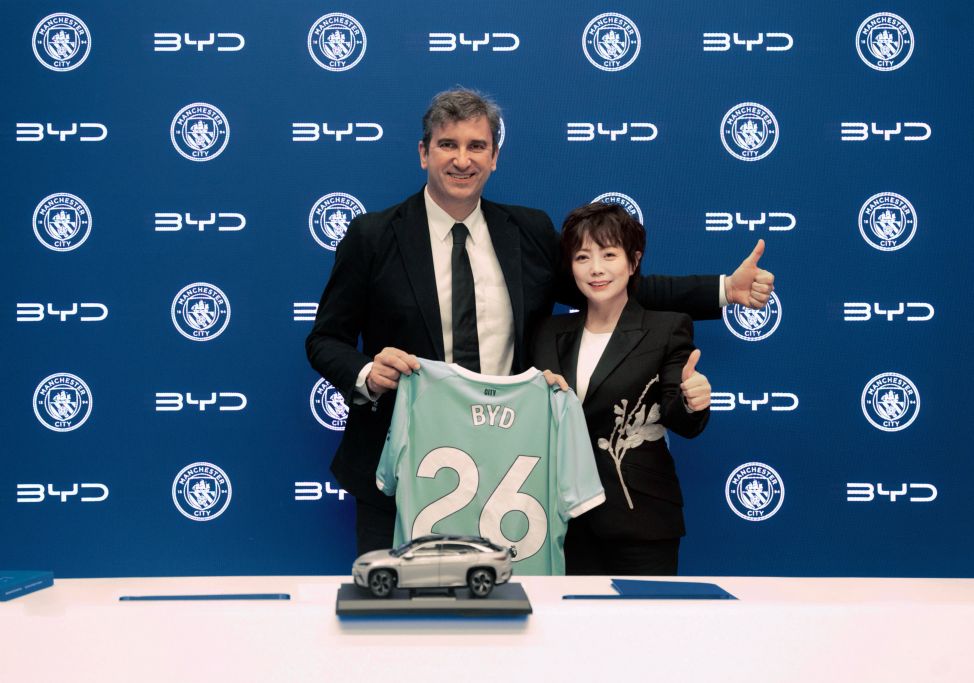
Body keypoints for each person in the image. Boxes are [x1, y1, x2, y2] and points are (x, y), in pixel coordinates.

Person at [305, 88, 772, 555]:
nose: (462, 160)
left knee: (502, 598)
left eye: (477, 146)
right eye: (448, 144)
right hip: (398, 465)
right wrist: (368, 373)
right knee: (397, 598)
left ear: (494, 158)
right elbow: (325, 339)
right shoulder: (372, 236)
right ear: (424, 153)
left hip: (512, 468)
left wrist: (723, 289)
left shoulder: (526, 232)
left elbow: (612, 286)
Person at [532, 202, 711, 575]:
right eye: (583, 257)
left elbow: (680, 417)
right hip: (562, 521)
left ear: (633, 262)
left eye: (609, 255)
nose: (596, 268)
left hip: (641, 519)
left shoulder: (666, 329)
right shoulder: (547, 333)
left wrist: (692, 401)